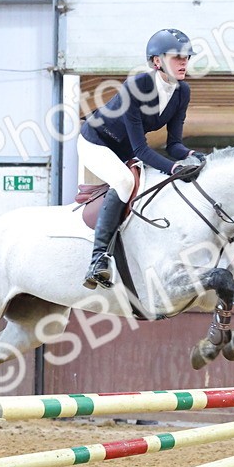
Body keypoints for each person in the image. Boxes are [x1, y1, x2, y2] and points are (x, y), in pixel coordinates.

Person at [77, 28, 205, 289]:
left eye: (186, 57)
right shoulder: (136, 87)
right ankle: (98, 259)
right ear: (157, 61)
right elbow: (141, 150)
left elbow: (174, 145)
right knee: (124, 182)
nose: (184, 62)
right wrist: (174, 168)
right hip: (97, 142)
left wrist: (192, 156)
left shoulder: (182, 92)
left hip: (124, 150)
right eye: (177, 57)